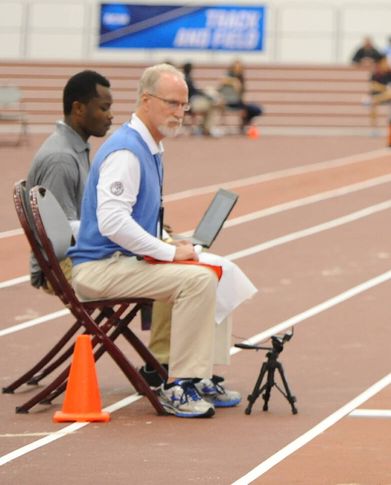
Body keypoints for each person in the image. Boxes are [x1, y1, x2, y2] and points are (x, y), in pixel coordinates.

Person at [68, 64, 243, 417]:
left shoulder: (148, 147)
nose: (179, 113)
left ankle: (201, 374)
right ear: (146, 100)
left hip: (120, 261)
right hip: (99, 267)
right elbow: (113, 223)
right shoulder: (126, 152)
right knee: (198, 280)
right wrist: (168, 252)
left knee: (213, 266)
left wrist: (171, 244)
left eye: (184, 105)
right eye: (172, 103)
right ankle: (179, 385)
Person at [26, 71, 115, 290]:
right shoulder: (62, 159)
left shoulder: (74, 148)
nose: (111, 116)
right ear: (79, 108)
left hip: (80, 254)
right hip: (62, 266)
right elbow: (59, 236)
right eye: (104, 108)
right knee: (160, 274)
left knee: (155, 259)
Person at [218, 59, 262, 135]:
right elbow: (222, 79)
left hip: (238, 102)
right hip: (229, 102)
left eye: (239, 67)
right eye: (236, 67)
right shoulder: (230, 75)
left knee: (255, 109)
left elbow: (242, 94)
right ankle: (243, 125)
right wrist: (234, 81)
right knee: (247, 109)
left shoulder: (241, 78)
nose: (238, 69)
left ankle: (244, 125)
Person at [182, 62, 221, 136]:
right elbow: (195, 92)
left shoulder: (187, 78)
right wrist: (207, 96)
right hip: (190, 104)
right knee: (212, 106)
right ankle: (207, 128)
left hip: (191, 102)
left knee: (211, 105)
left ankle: (204, 127)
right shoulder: (187, 80)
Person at [368, 55, 391, 127]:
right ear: (380, 63)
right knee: (374, 101)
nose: (387, 64)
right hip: (378, 95)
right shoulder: (376, 74)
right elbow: (374, 85)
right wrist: (386, 89)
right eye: (385, 62)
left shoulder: (390, 73)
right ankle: (373, 127)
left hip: (387, 96)